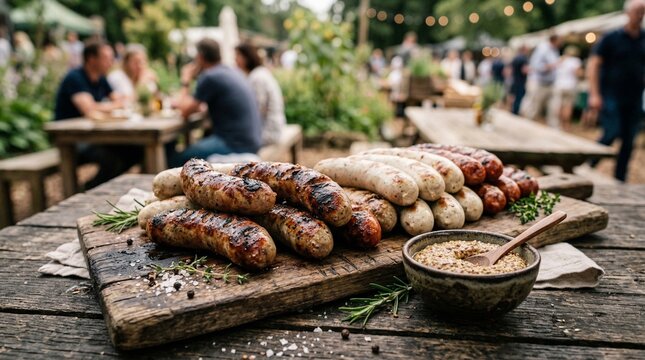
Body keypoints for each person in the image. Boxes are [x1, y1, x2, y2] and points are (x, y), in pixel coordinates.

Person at [54, 40, 141, 190]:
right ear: (91, 59)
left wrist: (115, 103)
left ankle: (101, 188)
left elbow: (119, 99)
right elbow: (89, 109)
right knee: (113, 158)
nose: (112, 61)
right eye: (106, 57)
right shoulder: (75, 78)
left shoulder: (101, 78)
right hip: (73, 139)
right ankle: (89, 190)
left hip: (96, 135)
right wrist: (115, 105)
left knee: (135, 151)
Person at [171, 38, 262, 167]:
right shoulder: (231, 71)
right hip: (252, 141)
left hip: (235, 145)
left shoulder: (210, 76)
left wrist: (185, 79)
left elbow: (184, 112)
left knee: (176, 160)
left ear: (200, 57)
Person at [588, 0, 645, 181]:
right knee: (612, 131)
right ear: (627, 12)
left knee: (629, 140)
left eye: (643, 11)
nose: (640, 15)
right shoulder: (611, 37)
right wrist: (594, 94)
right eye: (637, 11)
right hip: (611, 95)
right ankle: (588, 164)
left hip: (635, 97)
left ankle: (620, 179)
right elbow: (594, 64)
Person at [235, 43, 286, 146]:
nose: (235, 60)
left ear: (246, 58)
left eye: (237, 56)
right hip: (274, 128)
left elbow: (256, 109)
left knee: (233, 142)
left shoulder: (256, 78)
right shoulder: (259, 73)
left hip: (268, 133)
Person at [520, 35, 561, 121]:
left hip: (550, 83)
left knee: (552, 106)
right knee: (534, 106)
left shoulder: (554, 51)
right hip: (539, 82)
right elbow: (535, 66)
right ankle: (526, 121)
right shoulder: (543, 49)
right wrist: (549, 67)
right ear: (554, 40)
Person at [548, 45, 582, 129]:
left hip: (559, 85)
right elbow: (578, 73)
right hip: (570, 85)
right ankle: (565, 125)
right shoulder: (576, 61)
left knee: (558, 105)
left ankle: (557, 124)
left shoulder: (560, 59)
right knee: (568, 106)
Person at [509, 46, 529, 115]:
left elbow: (510, 70)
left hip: (514, 80)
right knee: (519, 97)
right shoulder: (524, 59)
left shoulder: (515, 58)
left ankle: (512, 109)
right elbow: (524, 70)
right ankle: (515, 111)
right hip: (521, 81)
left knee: (513, 96)